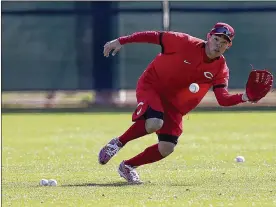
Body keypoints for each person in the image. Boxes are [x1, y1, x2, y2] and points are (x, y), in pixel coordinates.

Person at [98, 22, 273, 184]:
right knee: (154, 122)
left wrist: (245, 97)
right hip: (152, 86)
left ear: (228, 46)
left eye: (224, 42)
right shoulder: (183, 42)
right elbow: (153, 36)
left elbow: (223, 99)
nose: (218, 44)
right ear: (209, 37)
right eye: (216, 38)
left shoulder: (221, 68)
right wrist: (121, 41)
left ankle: (127, 166)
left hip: (174, 104)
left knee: (167, 147)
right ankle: (117, 143)